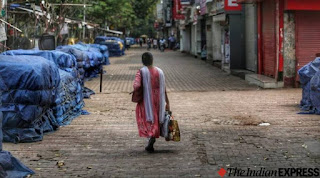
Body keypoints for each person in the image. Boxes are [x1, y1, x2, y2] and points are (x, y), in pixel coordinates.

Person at [133, 52, 170, 153]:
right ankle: (152, 136)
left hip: (146, 101)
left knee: (147, 118)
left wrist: (137, 91)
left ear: (143, 61)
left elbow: (136, 85)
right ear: (152, 60)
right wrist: (167, 102)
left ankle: (150, 136)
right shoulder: (160, 71)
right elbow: (164, 88)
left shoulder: (141, 72)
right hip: (159, 100)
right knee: (157, 118)